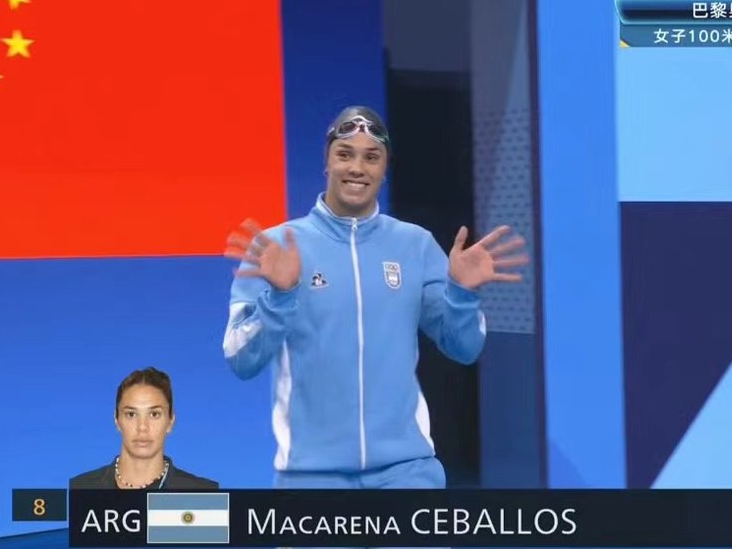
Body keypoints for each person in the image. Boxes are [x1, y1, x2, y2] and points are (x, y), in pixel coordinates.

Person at [222, 105, 529, 489]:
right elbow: (241, 359)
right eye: (345, 154)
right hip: (310, 476)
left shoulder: (415, 245)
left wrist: (463, 293)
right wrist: (281, 295)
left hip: (408, 472)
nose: (357, 168)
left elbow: (464, 347)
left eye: (372, 157)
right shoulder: (276, 247)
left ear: (384, 168)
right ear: (327, 162)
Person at [70, 367, 218, 489]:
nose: (142, 427)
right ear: (116, 419)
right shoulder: (81, 487)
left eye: (154, 414)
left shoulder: (203, 493)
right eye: (131, 414)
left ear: (171, 421)